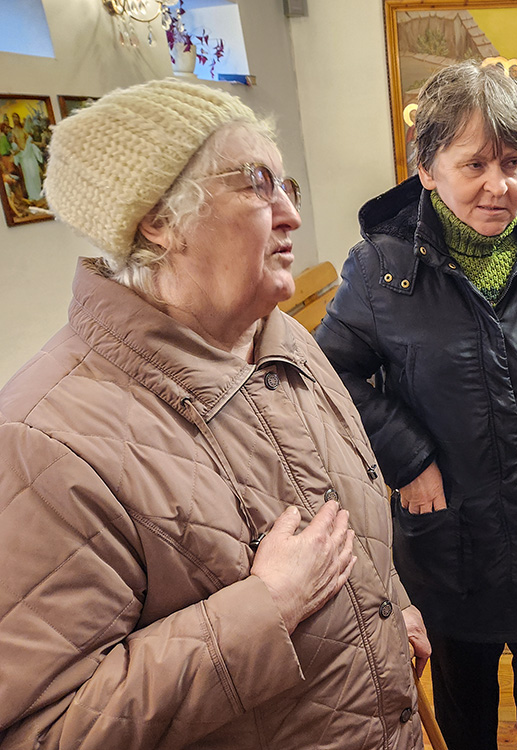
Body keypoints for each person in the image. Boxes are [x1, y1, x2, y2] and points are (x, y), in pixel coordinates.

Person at [0, 79, 427, 750]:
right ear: (159, 220)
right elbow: (48, 730)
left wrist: (387, 608)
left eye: (288, 186)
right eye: (259, 184)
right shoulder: (43, 439)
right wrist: (265, 612)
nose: (290, 213)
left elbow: (345, 527)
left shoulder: (288, 345)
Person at [314, 61, 517, 750]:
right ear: (427, 170)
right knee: (466, 716)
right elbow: (329, 372)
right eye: (476, 165)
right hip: (453, 541)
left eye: (514, 162)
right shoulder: (381, 269)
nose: (500, 186)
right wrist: (406, 455)